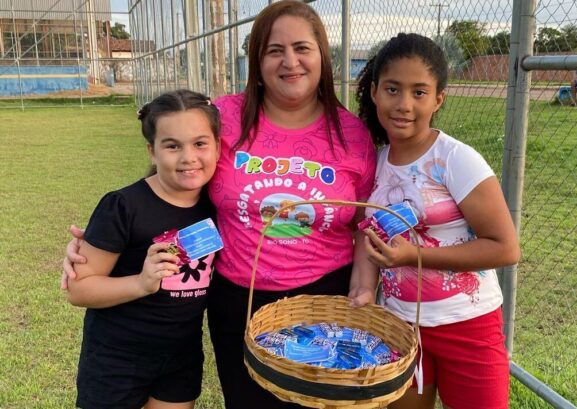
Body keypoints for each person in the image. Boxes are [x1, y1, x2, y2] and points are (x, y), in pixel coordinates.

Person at [62, 2, 377, 408]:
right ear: (257, 60)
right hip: (237, 300)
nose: (290, 61)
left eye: (302, 48)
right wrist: (101, 244)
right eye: (274, 50)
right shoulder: (224, 116)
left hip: (324, 299)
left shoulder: (352, 134)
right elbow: (173, 180)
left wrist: (364, 283)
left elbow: (365, 222)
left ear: (323, 56)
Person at [349, 33, 520, 409]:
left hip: (468, 326)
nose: (404, 104)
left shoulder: (455, 159)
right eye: (392, 89)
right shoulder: (374, 163)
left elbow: (505, 248)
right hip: (401, 327)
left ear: (438, 99)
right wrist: (363, 289)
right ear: (375, 92)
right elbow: (366, 236)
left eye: (419, 92)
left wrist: (414, 256)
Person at [65, 90, 221, 409]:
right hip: (117, 359)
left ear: (218, 146)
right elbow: (78, 290)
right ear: (152, 150)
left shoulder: (220, 205)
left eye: (200, 143)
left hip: (181, 356)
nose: (188, 157)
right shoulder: (123, 206)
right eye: (172, 145)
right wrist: (140, 283)